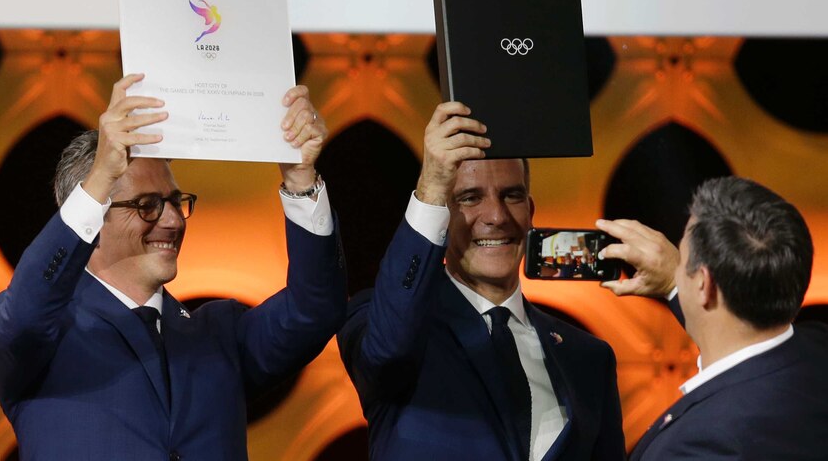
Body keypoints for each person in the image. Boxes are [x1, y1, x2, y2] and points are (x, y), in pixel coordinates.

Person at [0, 73, 347, 460]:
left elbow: (315, 309)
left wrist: (301, 178)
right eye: (147, 205)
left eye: (176, 200)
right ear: (96, 214)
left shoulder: (220, 334)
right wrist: (101, 175)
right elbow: (29, 308)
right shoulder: (39, 336)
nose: (173, 220)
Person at [339, 102, 626, 461]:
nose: (497, 216)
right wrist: (431, 187)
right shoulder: (391, 326)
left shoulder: (589, 358)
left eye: (512, 195)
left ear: (531, 212)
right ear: (442, 213)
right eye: (470, 198)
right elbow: (384, 353)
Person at [598, 176, 828, 460]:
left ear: (704, 285)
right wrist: (675, 284)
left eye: (681, 261)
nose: (677, 269)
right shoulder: (819, 347)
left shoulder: (693, 447)